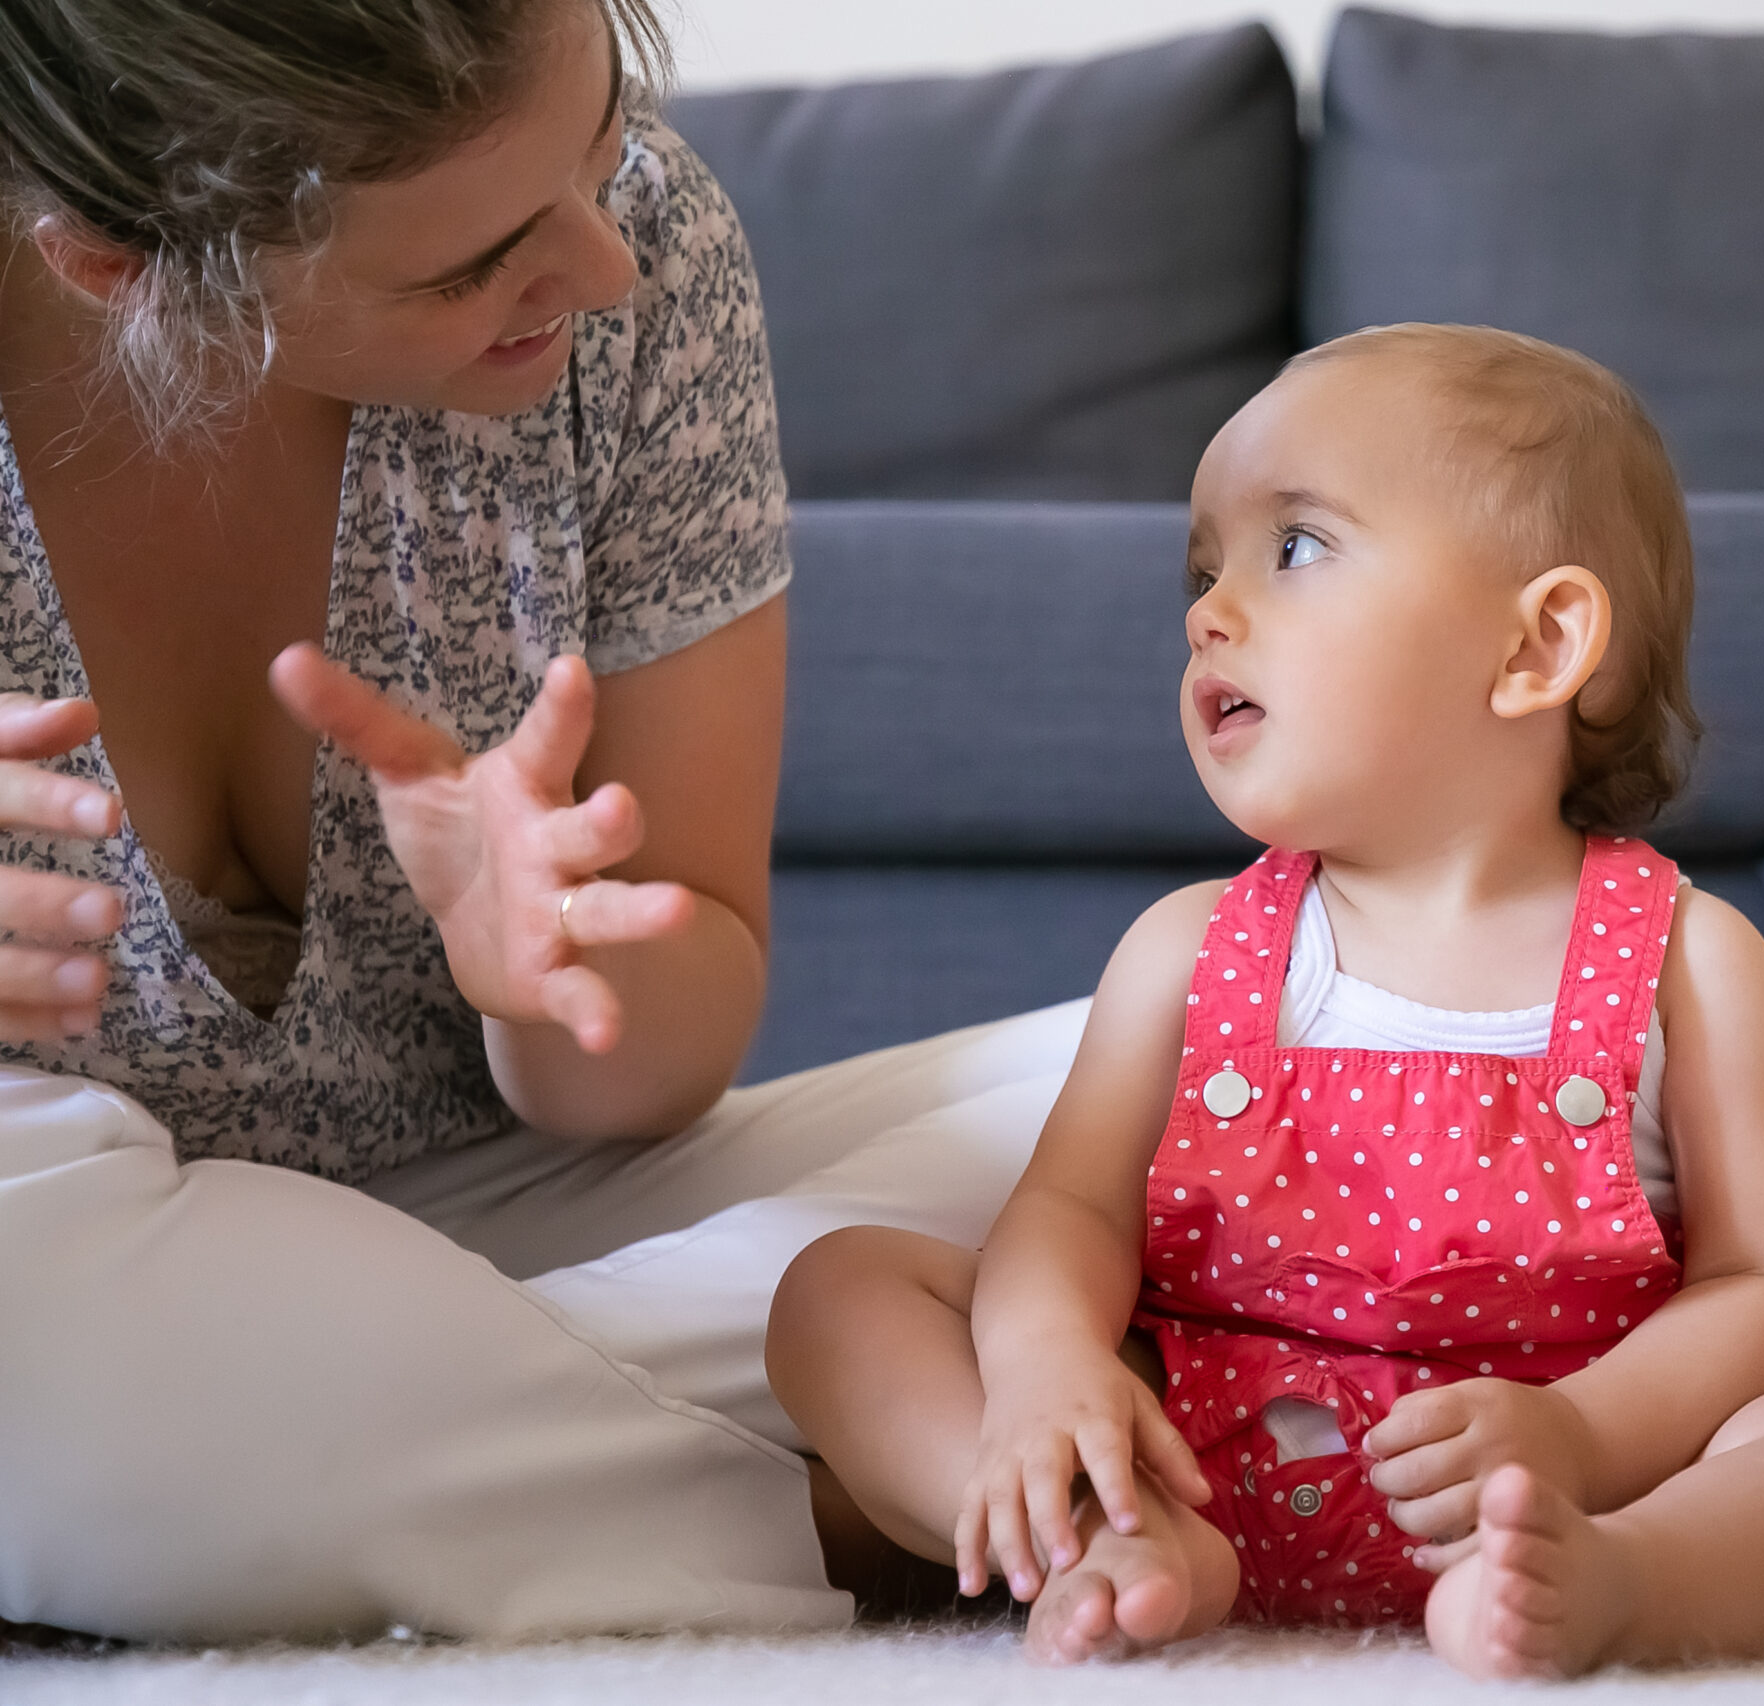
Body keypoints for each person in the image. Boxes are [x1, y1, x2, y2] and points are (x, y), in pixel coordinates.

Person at [0, 0, 1081, 1642]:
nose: (606, 265)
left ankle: (358, 1484)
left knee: (1222, 1030)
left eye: (599, 142)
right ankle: (863, 1492)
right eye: (472, 262)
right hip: (82, 1259)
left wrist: (560, 964)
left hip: (508, 1231)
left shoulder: (649, 238)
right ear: (123, 267)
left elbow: (652, 1070)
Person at [767, 325, 1764, 1677]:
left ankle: (1626, 1586)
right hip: (1193, 1460)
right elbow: (1068, 1212)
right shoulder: (1192, 949)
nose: (1207, 608)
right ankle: (1101, 1537)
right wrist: (1049, 1365)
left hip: (1558, 1482)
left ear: (1541, 645)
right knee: (842, 1287)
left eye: (1292, 548)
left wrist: (1579, 1440)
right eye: (1204, 565)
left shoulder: (1687, 961)